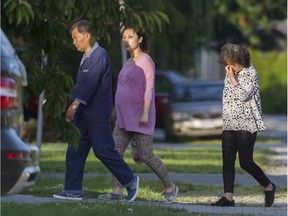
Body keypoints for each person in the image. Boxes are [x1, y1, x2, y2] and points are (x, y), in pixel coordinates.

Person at [53, 20, 139, 202]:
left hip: (96, 114)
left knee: (103, 150)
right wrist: (76, 107)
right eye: (72, 38)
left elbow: (91, 84)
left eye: (76, 38)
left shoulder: (100, 55)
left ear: (87, 36)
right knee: (75, 149)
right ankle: (72, 190)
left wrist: (74, 105)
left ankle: (130, 181)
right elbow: (82, 85)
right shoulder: (86, 56)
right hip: (83, 115)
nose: (74, 42)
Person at [98, 27, 178, 204]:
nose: (126, 40)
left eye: (130, 37)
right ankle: (118, 189)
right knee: (115, 153)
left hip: (140, 117)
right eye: (123, 37)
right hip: (123, 119)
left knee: (146, 156)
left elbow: (149, 90)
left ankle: (170, 187)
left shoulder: (146, 61)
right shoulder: (128, 62)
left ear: (140, 39)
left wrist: (144, 114)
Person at [211, 43, 276, 207]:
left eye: (231, 63)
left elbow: (244, 96)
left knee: (245, 162)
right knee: (227, 160)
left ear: (240, 60)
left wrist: (233, 79)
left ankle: (269, 186)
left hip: (247, 124)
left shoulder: (251, 73)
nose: (228, 66)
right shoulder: (231, 73)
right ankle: (228, 198)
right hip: (230, 123)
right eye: (226, 63)